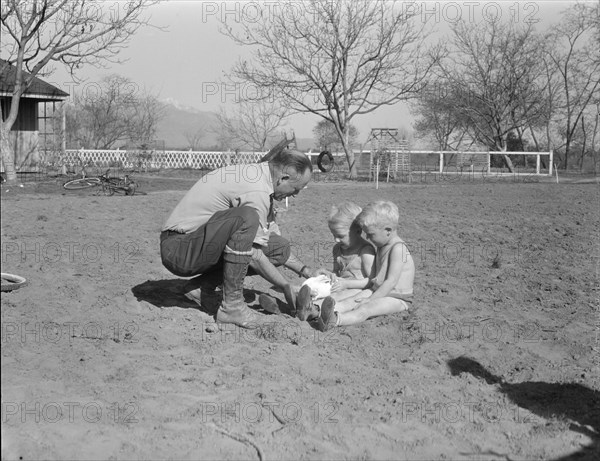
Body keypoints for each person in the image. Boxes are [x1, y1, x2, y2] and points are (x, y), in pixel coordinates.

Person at [160, 149, 314, 329]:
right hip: (179, 250)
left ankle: (200, 287)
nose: (295, 195)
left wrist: (306, 271)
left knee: (278, 247)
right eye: (296, 189)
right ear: (284, 178)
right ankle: (232, 307)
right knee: (246, 218)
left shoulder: (262, 178)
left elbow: (271, 243)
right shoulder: (257, 190)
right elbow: (254, 254)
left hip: (198, 244)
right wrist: (285, 285)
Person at [310, 201, 415, 332]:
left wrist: (371, 299)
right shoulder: (383, 246)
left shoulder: (399, 249)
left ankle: (335, 320)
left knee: (365, 308)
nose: (368, 238)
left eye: (371, 234)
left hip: (397, 297)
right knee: (353, 301)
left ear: (388, 230)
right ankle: (315, 310)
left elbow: (391, 281)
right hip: (379, 290)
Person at [295, 201, 376, 321]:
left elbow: (371, 281)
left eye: (341, 236)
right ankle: (296, 300)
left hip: (357, 289)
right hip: (339, 285)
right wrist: (330, 275)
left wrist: (347, 284)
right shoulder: (338, 249)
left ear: (358, 231)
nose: (336, 239)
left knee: (340, 296)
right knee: (315, 287)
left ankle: (313, 309)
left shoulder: (365, 251)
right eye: (333, 235)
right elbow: (337, 272)